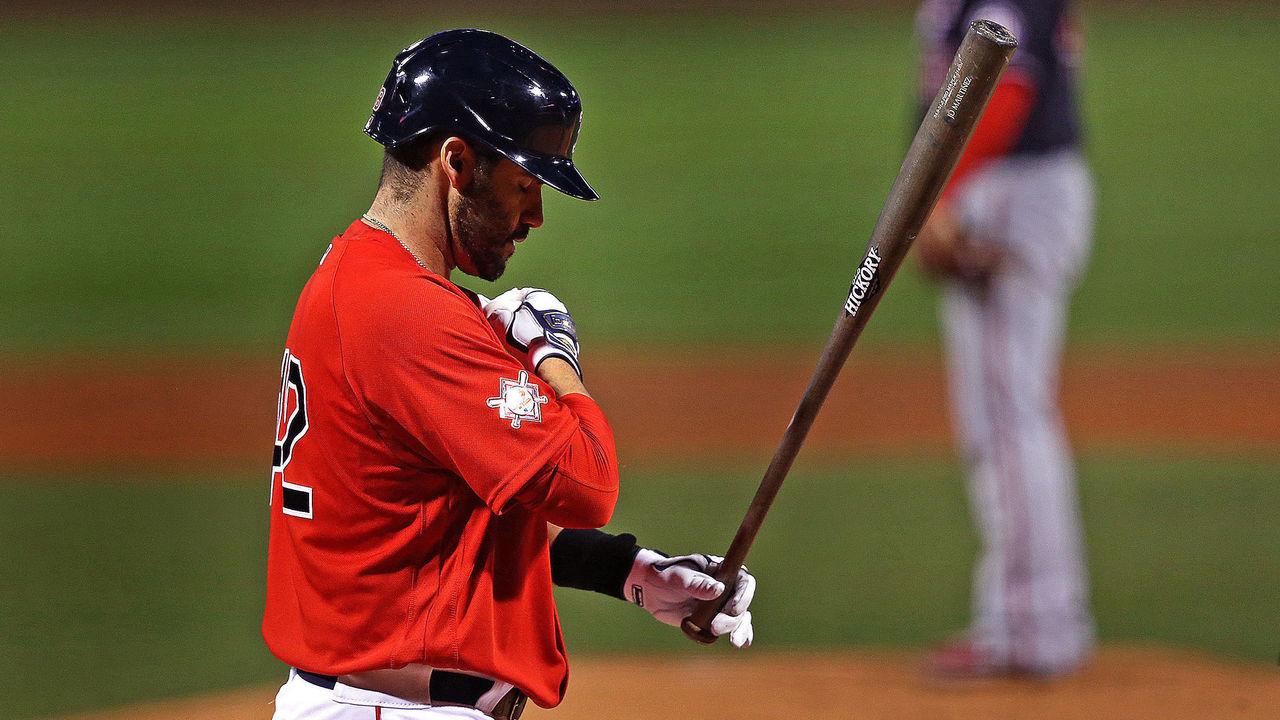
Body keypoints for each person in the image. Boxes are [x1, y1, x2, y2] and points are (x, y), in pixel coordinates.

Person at [263, 29, 756, 720]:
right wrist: (556, 359)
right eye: (523, 185)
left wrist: (630, 573)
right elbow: (588, 482)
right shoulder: (405, 314)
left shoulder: (356, 274)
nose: (536, 216)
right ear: (456, 162)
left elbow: (448, 523)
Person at [913, 1, 1096, 678]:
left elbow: (1008, 85)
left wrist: (941, 192)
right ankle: (1041, 620)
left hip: (1009, 191)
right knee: (1009, 417)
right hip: (1019, 186)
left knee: (1007, 422)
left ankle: (1030, 628)